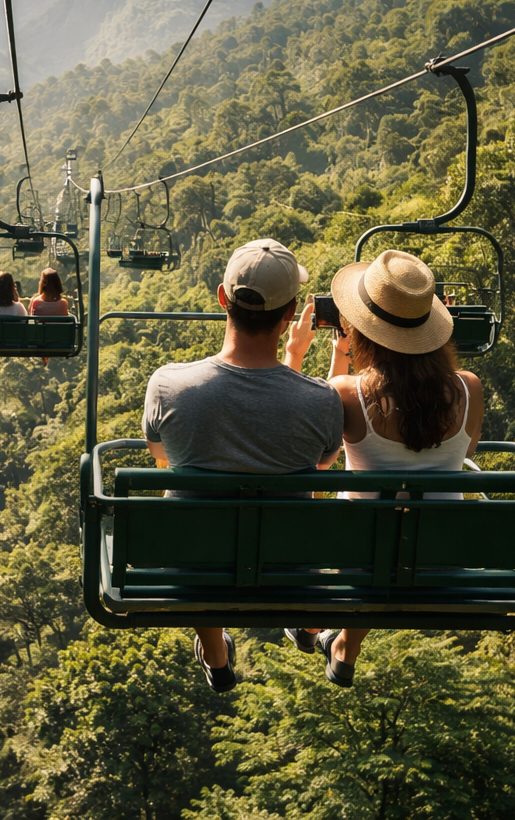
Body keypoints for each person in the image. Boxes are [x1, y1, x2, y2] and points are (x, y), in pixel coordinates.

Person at [143, 239, 344, 693]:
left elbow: (163, 457)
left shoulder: (168, 385)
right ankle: (306, 627)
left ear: (221, 298)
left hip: (194, 571)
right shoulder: (321, 401)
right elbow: (322, 463)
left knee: (188, 511)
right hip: (287, 572)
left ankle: (215, 652)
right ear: (291, 312)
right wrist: (295, 361)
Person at [282, 249, 484, 688]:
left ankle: (316, 626)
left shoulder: (349, 393)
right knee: (402, 530)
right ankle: (342, 646)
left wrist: (298, 357)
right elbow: (464, 447)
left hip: (358, 559)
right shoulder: (469, 389)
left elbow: (318, 461)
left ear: (361, 328)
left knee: (363, 529)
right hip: (441, 559)